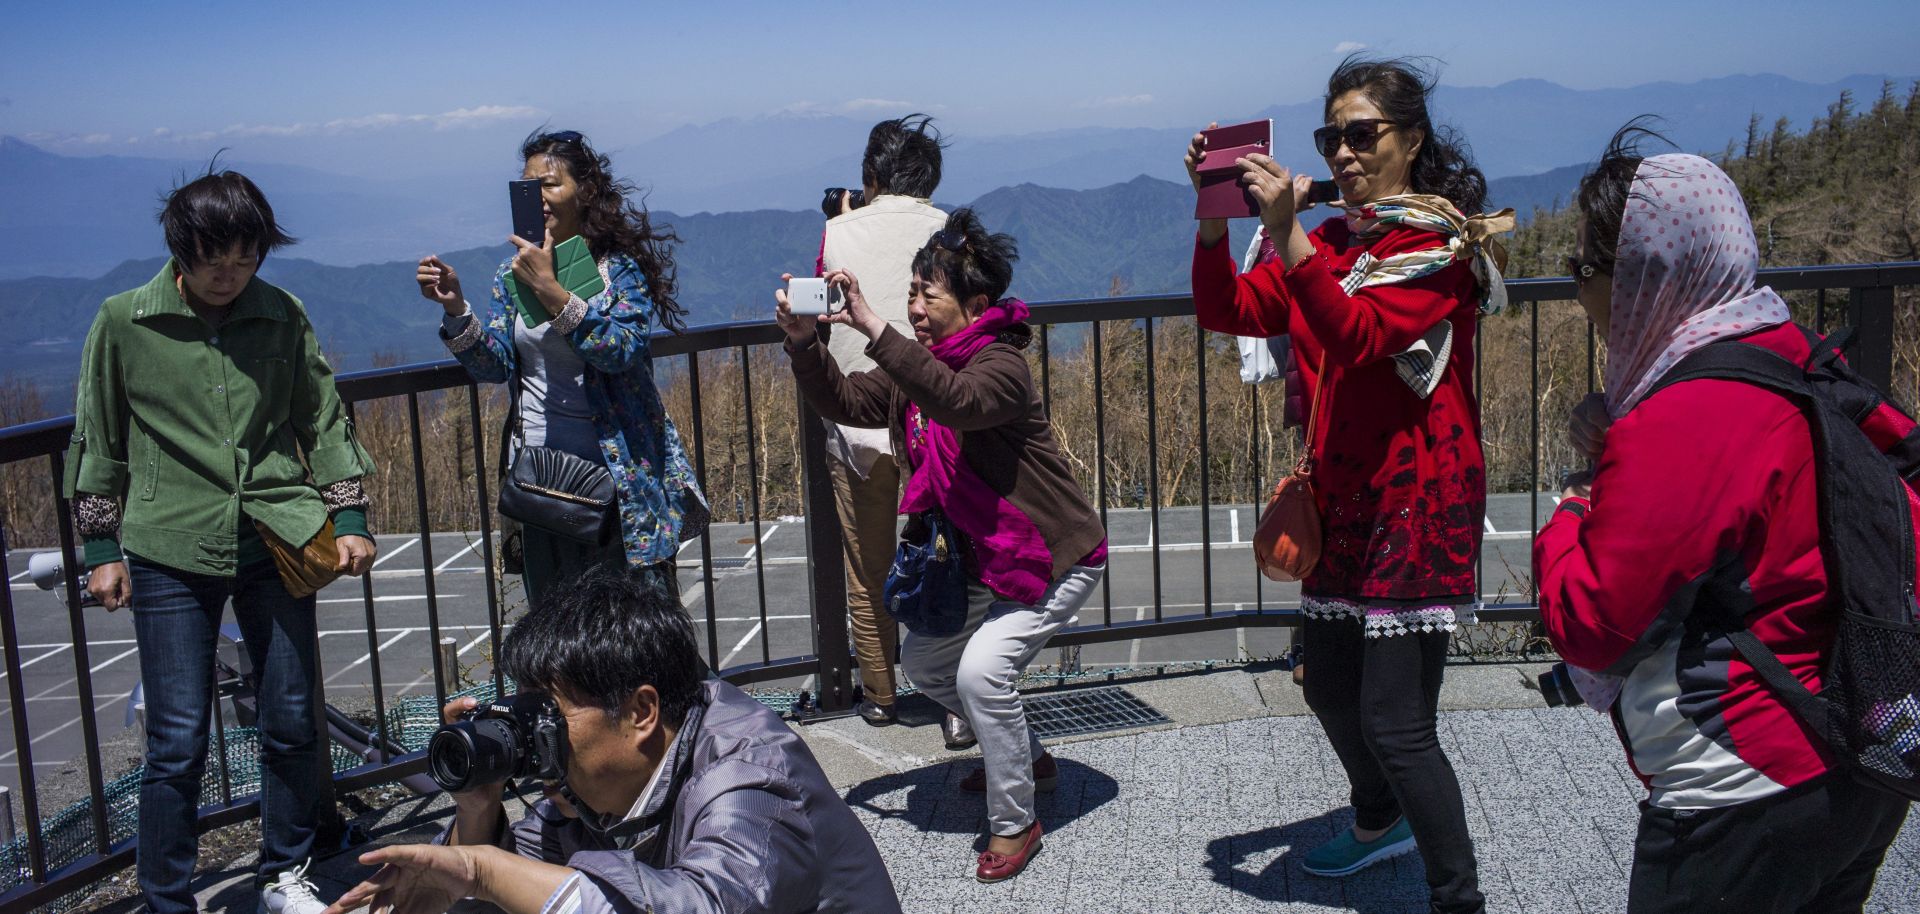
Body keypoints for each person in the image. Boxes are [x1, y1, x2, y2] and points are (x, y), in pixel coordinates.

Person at [1535, 127, 1913, 913]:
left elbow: (1593, 623)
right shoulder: (1783, 347)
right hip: (1857, 753)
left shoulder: (1680, 418)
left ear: (1648, 272)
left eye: (1584, 269)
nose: (1578, 293)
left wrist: (1572, 508)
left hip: (1744, 787)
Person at [1185, 56, 1511, 912]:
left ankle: (1458, 897)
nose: (1342, 152)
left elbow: (1360, 334)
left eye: (1361, 134)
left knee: (1399, 727)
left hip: (1421, 495)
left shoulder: (1440, 244)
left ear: (1412, 139)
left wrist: (1289, 234)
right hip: (1347, 490)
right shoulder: (1332, 239)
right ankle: (1379, 823)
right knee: (1329, 684)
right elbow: (1231, 312)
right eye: (1332, 136)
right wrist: (1217, 219)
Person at [65, 168, 379, 914]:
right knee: (176, 743)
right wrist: (102, 552)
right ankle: (167, 900)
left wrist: (351, 519)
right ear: (182, 249)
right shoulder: (122, 322)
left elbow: (322, 420)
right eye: (215, 259)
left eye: (245, 258)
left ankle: (283, 875)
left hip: (276, 534)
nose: (229, 275)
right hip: (167, 545)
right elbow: (97, 439)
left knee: (293, 718)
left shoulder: (281, 314)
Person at [778, 209, 1108, 883]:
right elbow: (850, 401)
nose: (914, 308)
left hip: (1054, 557)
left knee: (982, 674)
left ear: (975, 304)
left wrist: (876, 329)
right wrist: (804, 346)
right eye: (912, 294)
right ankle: (1029, 758)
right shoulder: (918, 369)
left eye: (929, 295)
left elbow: (958, 401)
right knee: (928, 661)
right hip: (987, 558)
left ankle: (1015, 818)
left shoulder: (1001, 365)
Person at [322, 566, 901, 914]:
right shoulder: (589, 781)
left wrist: (482, 871)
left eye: (552, 712)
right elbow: (527, 896)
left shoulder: (752, 780)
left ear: (641, 711)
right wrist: (479, 809)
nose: (540, 735)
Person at [417, 130, 707, 606]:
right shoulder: (511, 274)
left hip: (619, 479)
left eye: (550, 184)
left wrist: (553, 292)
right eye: (527, 187)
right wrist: (455, 310)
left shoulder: (618, 270)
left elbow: (621, 349)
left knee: (636, 623)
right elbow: (495, 365)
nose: (538, 199)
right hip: (541, 476)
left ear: (585, 191)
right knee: (557, 626)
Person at [816, 115, 950, 729]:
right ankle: (956, 703)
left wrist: (841, 218)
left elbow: (822, 296)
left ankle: (879, 693)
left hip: (858, 423)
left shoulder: (838, 231)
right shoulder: (950, 231)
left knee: (867, 569)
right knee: (954, 557)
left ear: (872, 175)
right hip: (937, 423)